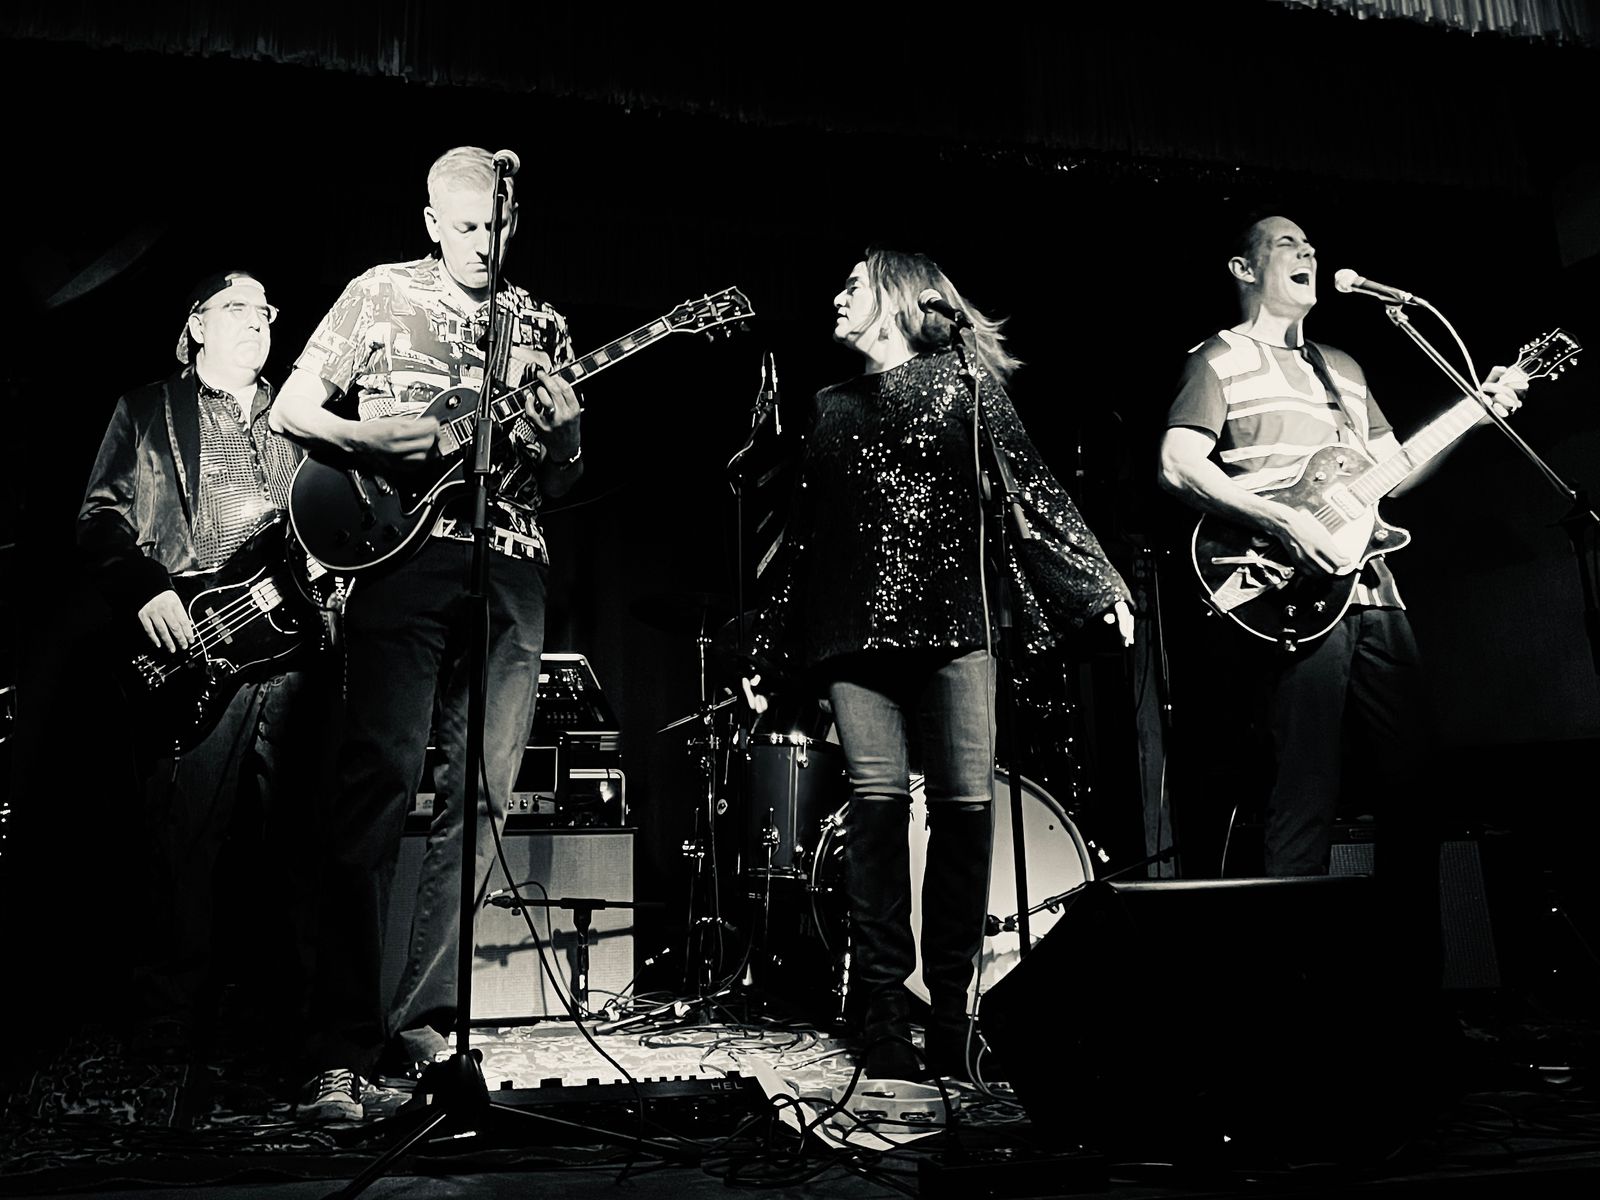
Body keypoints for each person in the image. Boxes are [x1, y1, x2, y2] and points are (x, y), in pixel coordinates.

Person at [744, 247, 1134, 1083]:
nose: (836, 297)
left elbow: (1031, 486)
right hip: (852, 636)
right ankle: (884, 1014)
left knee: (964, 814)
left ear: (899, 298)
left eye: (853, 285)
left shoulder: (964, 381)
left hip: (957, 627)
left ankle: (955, 1015)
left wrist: (1098, 582)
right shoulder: (829, 406)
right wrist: (770, 653)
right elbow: (804, 545)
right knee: (877, 818)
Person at [270, 147, 583, 1121]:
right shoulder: (380, 292)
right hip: (401, 556)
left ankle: (427, 1027)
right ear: (433, 223)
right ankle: (338, 1044)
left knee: (482, 796)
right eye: (465, 227)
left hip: (513, 561)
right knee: (378, 784)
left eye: (496, 226)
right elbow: (290, 406)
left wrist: (568, 435)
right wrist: (366, 437)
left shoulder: (541, 323)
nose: (482, 243)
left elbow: (566, 475)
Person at [1156, 214, 1525, 979]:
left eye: (1311, 246)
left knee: (1419, 791)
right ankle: (1297, 998)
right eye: (1287, 245)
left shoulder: (1344, 369)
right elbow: (1179, 462)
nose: (1309, 253)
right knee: (1306, 793)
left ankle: (1409, 988)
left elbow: (1393, 472)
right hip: (1288, 596)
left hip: (1374, 590)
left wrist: (1474, 414)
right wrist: (1285, 520)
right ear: (1244, 268)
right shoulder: (1218, 358)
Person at [77, 270, 319, 1061]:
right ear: (198, 325)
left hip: (297, 652)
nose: (256, 322)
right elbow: (100, 518)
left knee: (303, 850)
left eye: (266, 311)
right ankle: (165, 1040)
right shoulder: (148, 409)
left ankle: (308, 1044)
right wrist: (145, 586)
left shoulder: (302, 414)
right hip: (195, 647)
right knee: (183, 847)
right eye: (236, 308)